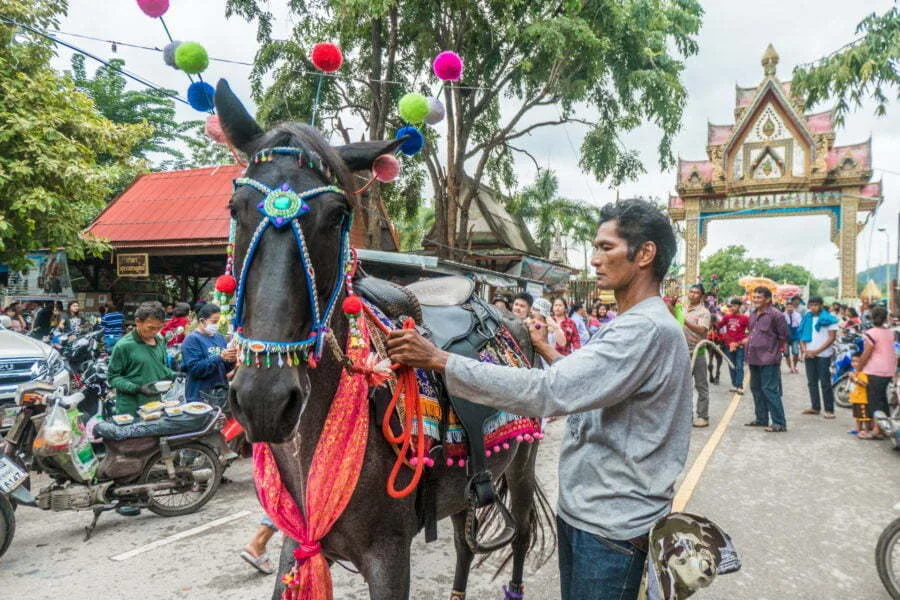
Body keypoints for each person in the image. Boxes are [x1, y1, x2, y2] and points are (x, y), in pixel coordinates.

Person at [386, 198, 691, 600]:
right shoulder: (638, 324)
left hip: (610, 528)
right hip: (596, 515)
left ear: (645, 254)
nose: (596, 259)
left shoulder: (643, 330)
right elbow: (591, 382)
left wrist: (439, 360)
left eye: (606, 247)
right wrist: (548, 352)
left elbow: (549, 392)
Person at [108, 301, 177, 417]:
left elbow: (158, 368)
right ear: (138, 322)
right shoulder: (124, 346)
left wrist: (174, 374)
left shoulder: (160, 340)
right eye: (151, 328)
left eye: (159, 328)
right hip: (130, 409)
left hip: (155, 405)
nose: (155, 332)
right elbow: (113, 377)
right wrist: (137, 389)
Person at [745, 286, 789, 432]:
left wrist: (778, 353)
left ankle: (779, 423)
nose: (755, 300)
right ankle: (761, 419)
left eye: (759, 297)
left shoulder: (776, 315)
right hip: (753, 357)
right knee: (756, 389)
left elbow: (783, 337)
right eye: (754, 297)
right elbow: (752, 333)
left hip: (769, 358)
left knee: (769, 390)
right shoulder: (752, 313)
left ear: (768, 299)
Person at [181, 303, 238, 402]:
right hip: (199, 395)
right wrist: (220, 357)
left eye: (218, 322)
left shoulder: (219, 337)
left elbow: (224, 367)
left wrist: (231, 360)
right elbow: (195, 369)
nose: (216, 325)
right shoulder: (192, 340)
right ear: (202, 321)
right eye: (214, 322)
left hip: (220, 393)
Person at [857, 306, 895, 439]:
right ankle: (885, 428)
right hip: (889, 369)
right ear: (885, 318)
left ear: (872, 318)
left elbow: (866, 353)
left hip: (875, 370)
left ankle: (877, 430)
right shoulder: (891, 333)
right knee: (882, 399)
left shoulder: (871, 333)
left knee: (874, 401)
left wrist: (858, 368)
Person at [799, 296, 839, 419]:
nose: (814, 307)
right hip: (809, 353)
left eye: (816, 305)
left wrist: (817, 351)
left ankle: (829, 409)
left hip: (823, 355)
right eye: (811, 305)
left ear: (821, 305)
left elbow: (832, 338)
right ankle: (815, 407)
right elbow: (801, 335)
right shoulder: (807, 317)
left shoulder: (830, 319)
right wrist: (804, 350)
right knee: (811, 382)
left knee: (825, 382)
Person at [683, 284, 711, 428]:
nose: (693, 294)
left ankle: (703, 416)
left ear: (702, 296)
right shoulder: (682, 309)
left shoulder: (704, 312)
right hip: (682, 352)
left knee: (701, 385)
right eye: (691, 292)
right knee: (684, 386)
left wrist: (685, 322)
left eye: (696, 292)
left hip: (697, 352)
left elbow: (702, 330)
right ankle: (686, 417)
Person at [717, 298, 748, 395]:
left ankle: (740, 386)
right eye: (731, 306)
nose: (732, 308)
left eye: (735, 306)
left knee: (739, 366)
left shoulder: (745, 318)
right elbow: (718, 327)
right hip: (729, 345)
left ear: (740, 306)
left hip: (740, 346)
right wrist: (724, 338)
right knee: (731, 365)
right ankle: (734, 385)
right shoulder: (727, 317)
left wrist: (744, 340)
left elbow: (751, 330)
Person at [847, 352, 871, 438]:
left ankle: (867, 430)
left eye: (857, 361)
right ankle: (858, 428)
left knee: (864, 416)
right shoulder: (855, 372)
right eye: (853, 361)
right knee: (857, 415)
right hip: (856, 398)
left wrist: (855, 379)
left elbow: (864, 384)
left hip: (862, 399)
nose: (854, 363)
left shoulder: (863, 373)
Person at [783, 302, 803, 374]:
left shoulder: (797, 315)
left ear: (793, 307)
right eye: (788, 307)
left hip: (795, 336)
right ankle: (790, 368)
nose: (789, 308)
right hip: (785, 337)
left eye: (791, 307)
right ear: (786, 307)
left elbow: (800, 325)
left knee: (796, 352)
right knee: (786, 353)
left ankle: (794, 366)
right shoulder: (783, 315)